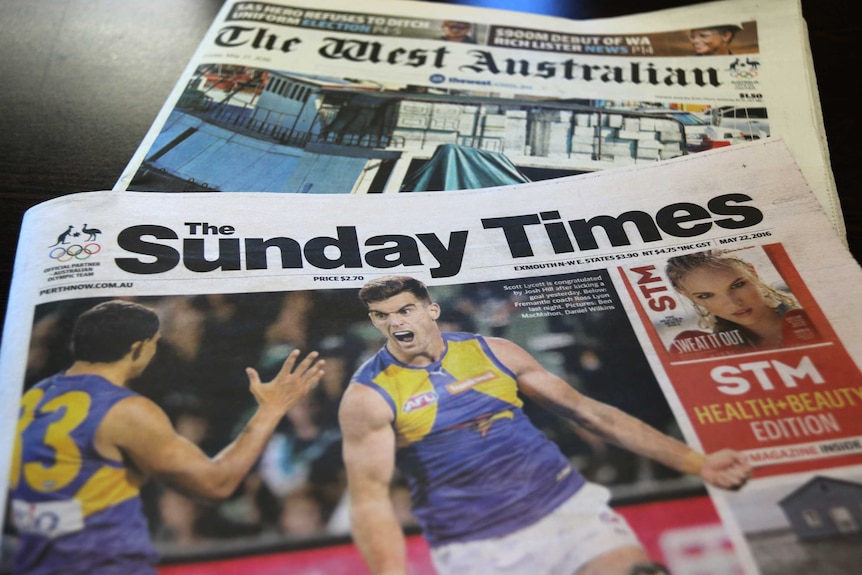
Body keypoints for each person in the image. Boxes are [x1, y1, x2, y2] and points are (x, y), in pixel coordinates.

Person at [338, 276, 751, 575]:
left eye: (405, 310)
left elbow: (592, 414)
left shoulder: (494, 351)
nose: (396, 323)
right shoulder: (367, 396)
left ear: (432, 309)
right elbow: (370, 500)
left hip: (567, 510)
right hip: (478, 544)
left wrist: (697, 463)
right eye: (382, 316)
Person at [9, 299, 324, 575]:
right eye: (155, 343)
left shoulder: (36, 395)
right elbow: (216, 484)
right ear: (137, 349)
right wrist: (271, 409)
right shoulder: (124, 410)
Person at [665, 250, 820, 355]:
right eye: (706, 295)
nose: (733, 303)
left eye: (737, 285)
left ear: (752, 272)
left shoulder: (815, 316)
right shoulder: (710, 351)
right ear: (685, 295)